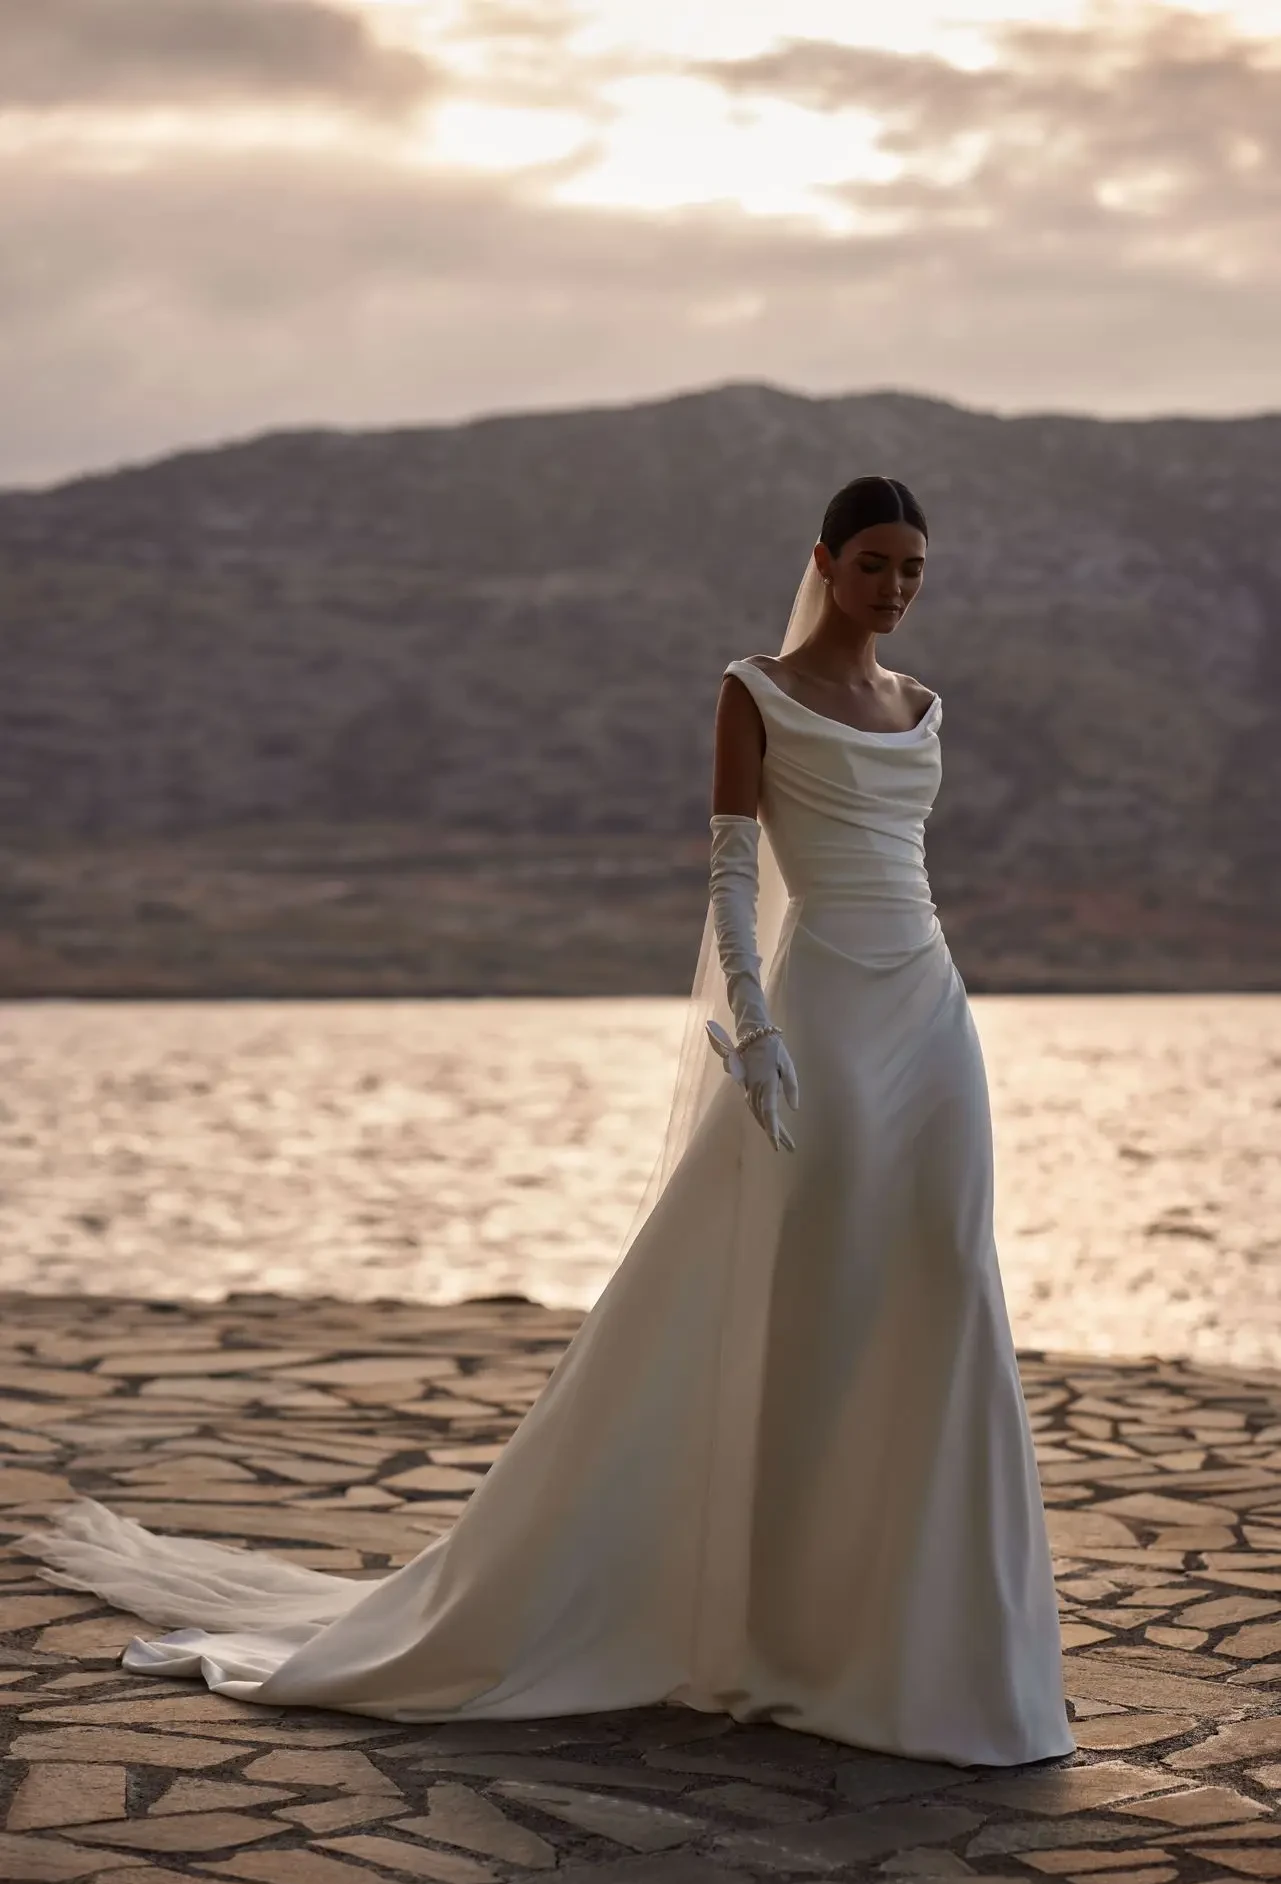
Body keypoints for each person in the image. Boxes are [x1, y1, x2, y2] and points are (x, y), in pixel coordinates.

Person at [21, 475, 1074, 1768]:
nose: (896, 590)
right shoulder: (754, 690)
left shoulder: (920, 708)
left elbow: (903, 869)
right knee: (826, 1298)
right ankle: (797, 1635)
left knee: (948, 1287)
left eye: (915, 568)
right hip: (825, 1027)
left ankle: (949, 1650)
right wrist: (754, 1024)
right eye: (874, 564)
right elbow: (735, 872)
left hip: (932, 1018)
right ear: (823, 560)